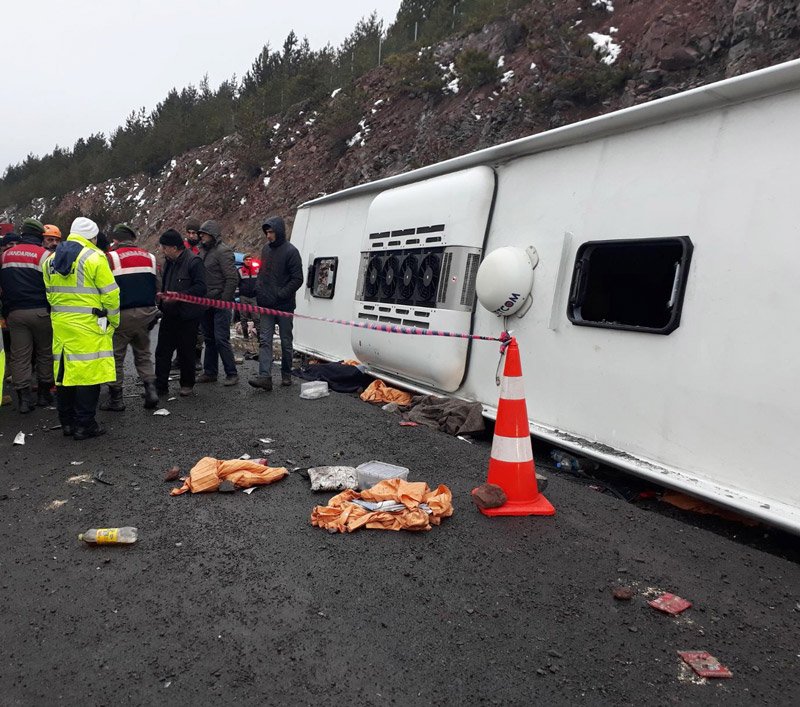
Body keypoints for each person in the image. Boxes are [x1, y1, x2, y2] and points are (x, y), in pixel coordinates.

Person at [43, 217, 120, 440]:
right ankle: (85, 425)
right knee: (89, 376)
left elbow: (49, 294)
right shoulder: (94, 257)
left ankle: (66, 423)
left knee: (65, 375)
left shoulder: (50, 260)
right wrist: (112, 321)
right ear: (92, 237)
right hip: (90, 326)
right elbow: (111, 294)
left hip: (61, 326)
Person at [99, 223, 159, 411]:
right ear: (133, 239)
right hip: (146, 314)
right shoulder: (150, 257)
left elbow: (103, 287)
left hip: (121, 315)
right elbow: (158, 286)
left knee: (116, 357)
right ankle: (151, 390)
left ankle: (116, 399)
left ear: (116, 240)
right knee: (143, 354)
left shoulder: (110, 258)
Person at [0, 218, 54, 412]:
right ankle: (44, 394)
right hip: (41, 312)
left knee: (19, 355)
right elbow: (53, 286)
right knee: (44, 352)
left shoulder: (5, 256)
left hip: (14, 314)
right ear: (39, 236)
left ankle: (23, 399)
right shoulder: (45, 255)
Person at [249, 216, 303, 391]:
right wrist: (258, 289)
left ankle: (286, 374)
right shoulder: (266, 250)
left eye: (271, 232)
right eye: (267, 232)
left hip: (284, 306)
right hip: (266, 305)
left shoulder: (291, 252)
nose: (268, 235)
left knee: (286, 342)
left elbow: (297, 279)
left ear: (278, 232)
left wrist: (281, 294)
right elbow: (262, 273)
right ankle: (265, 377)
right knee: (265, 340)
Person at [155, 229, 206, 397]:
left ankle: (187, 384)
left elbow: (201, 288)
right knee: (162, 351)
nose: (162, 250)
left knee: (186, 352)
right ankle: (160, 386)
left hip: (187, 316)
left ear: (174, 247)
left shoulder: (194, 261)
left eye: (164, 247)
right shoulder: (169, 262)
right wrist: (162, 299)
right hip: (169, 314)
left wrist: (180, 297)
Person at [196, 220, 239, 386]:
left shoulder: (223, 251)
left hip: (220, 303)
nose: (202, 237)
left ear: (212, 235)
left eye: (204, 234)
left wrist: (224, 301)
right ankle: (210, 372)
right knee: (209, 339)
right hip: (206, 303)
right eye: (201, 235)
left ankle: (232, 373)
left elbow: (231, 278)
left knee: (221, 339)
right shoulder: (202, 252)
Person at [238, 253, 260, 340]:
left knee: (256, 318)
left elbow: (261, 282)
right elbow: (237, 283)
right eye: (246, 260)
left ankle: (259, 337)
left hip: (254, 297)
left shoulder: (257, 270)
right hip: (244, 297)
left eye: (250, 259)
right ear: (243, 261)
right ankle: (245, 336)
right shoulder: (240, 270)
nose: (248, 261)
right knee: (243, 317)